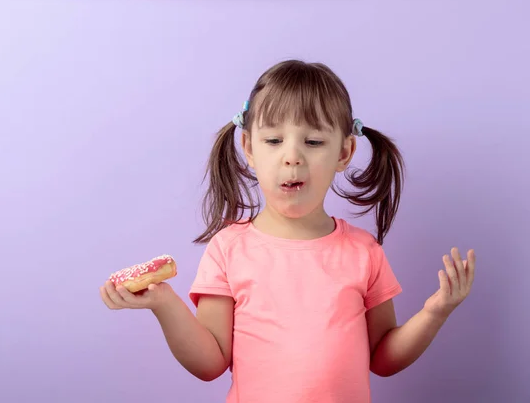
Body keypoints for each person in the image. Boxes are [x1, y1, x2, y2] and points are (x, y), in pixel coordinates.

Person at [99, 59, 476, 403]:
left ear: (344, 153)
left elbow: (383, 358)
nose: (292, 156)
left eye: (313, 142)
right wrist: (164, 303)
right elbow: (209, 362)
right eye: (274, 140)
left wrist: (435, 312)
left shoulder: (364, 252)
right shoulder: (228, 250)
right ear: (248, 146)